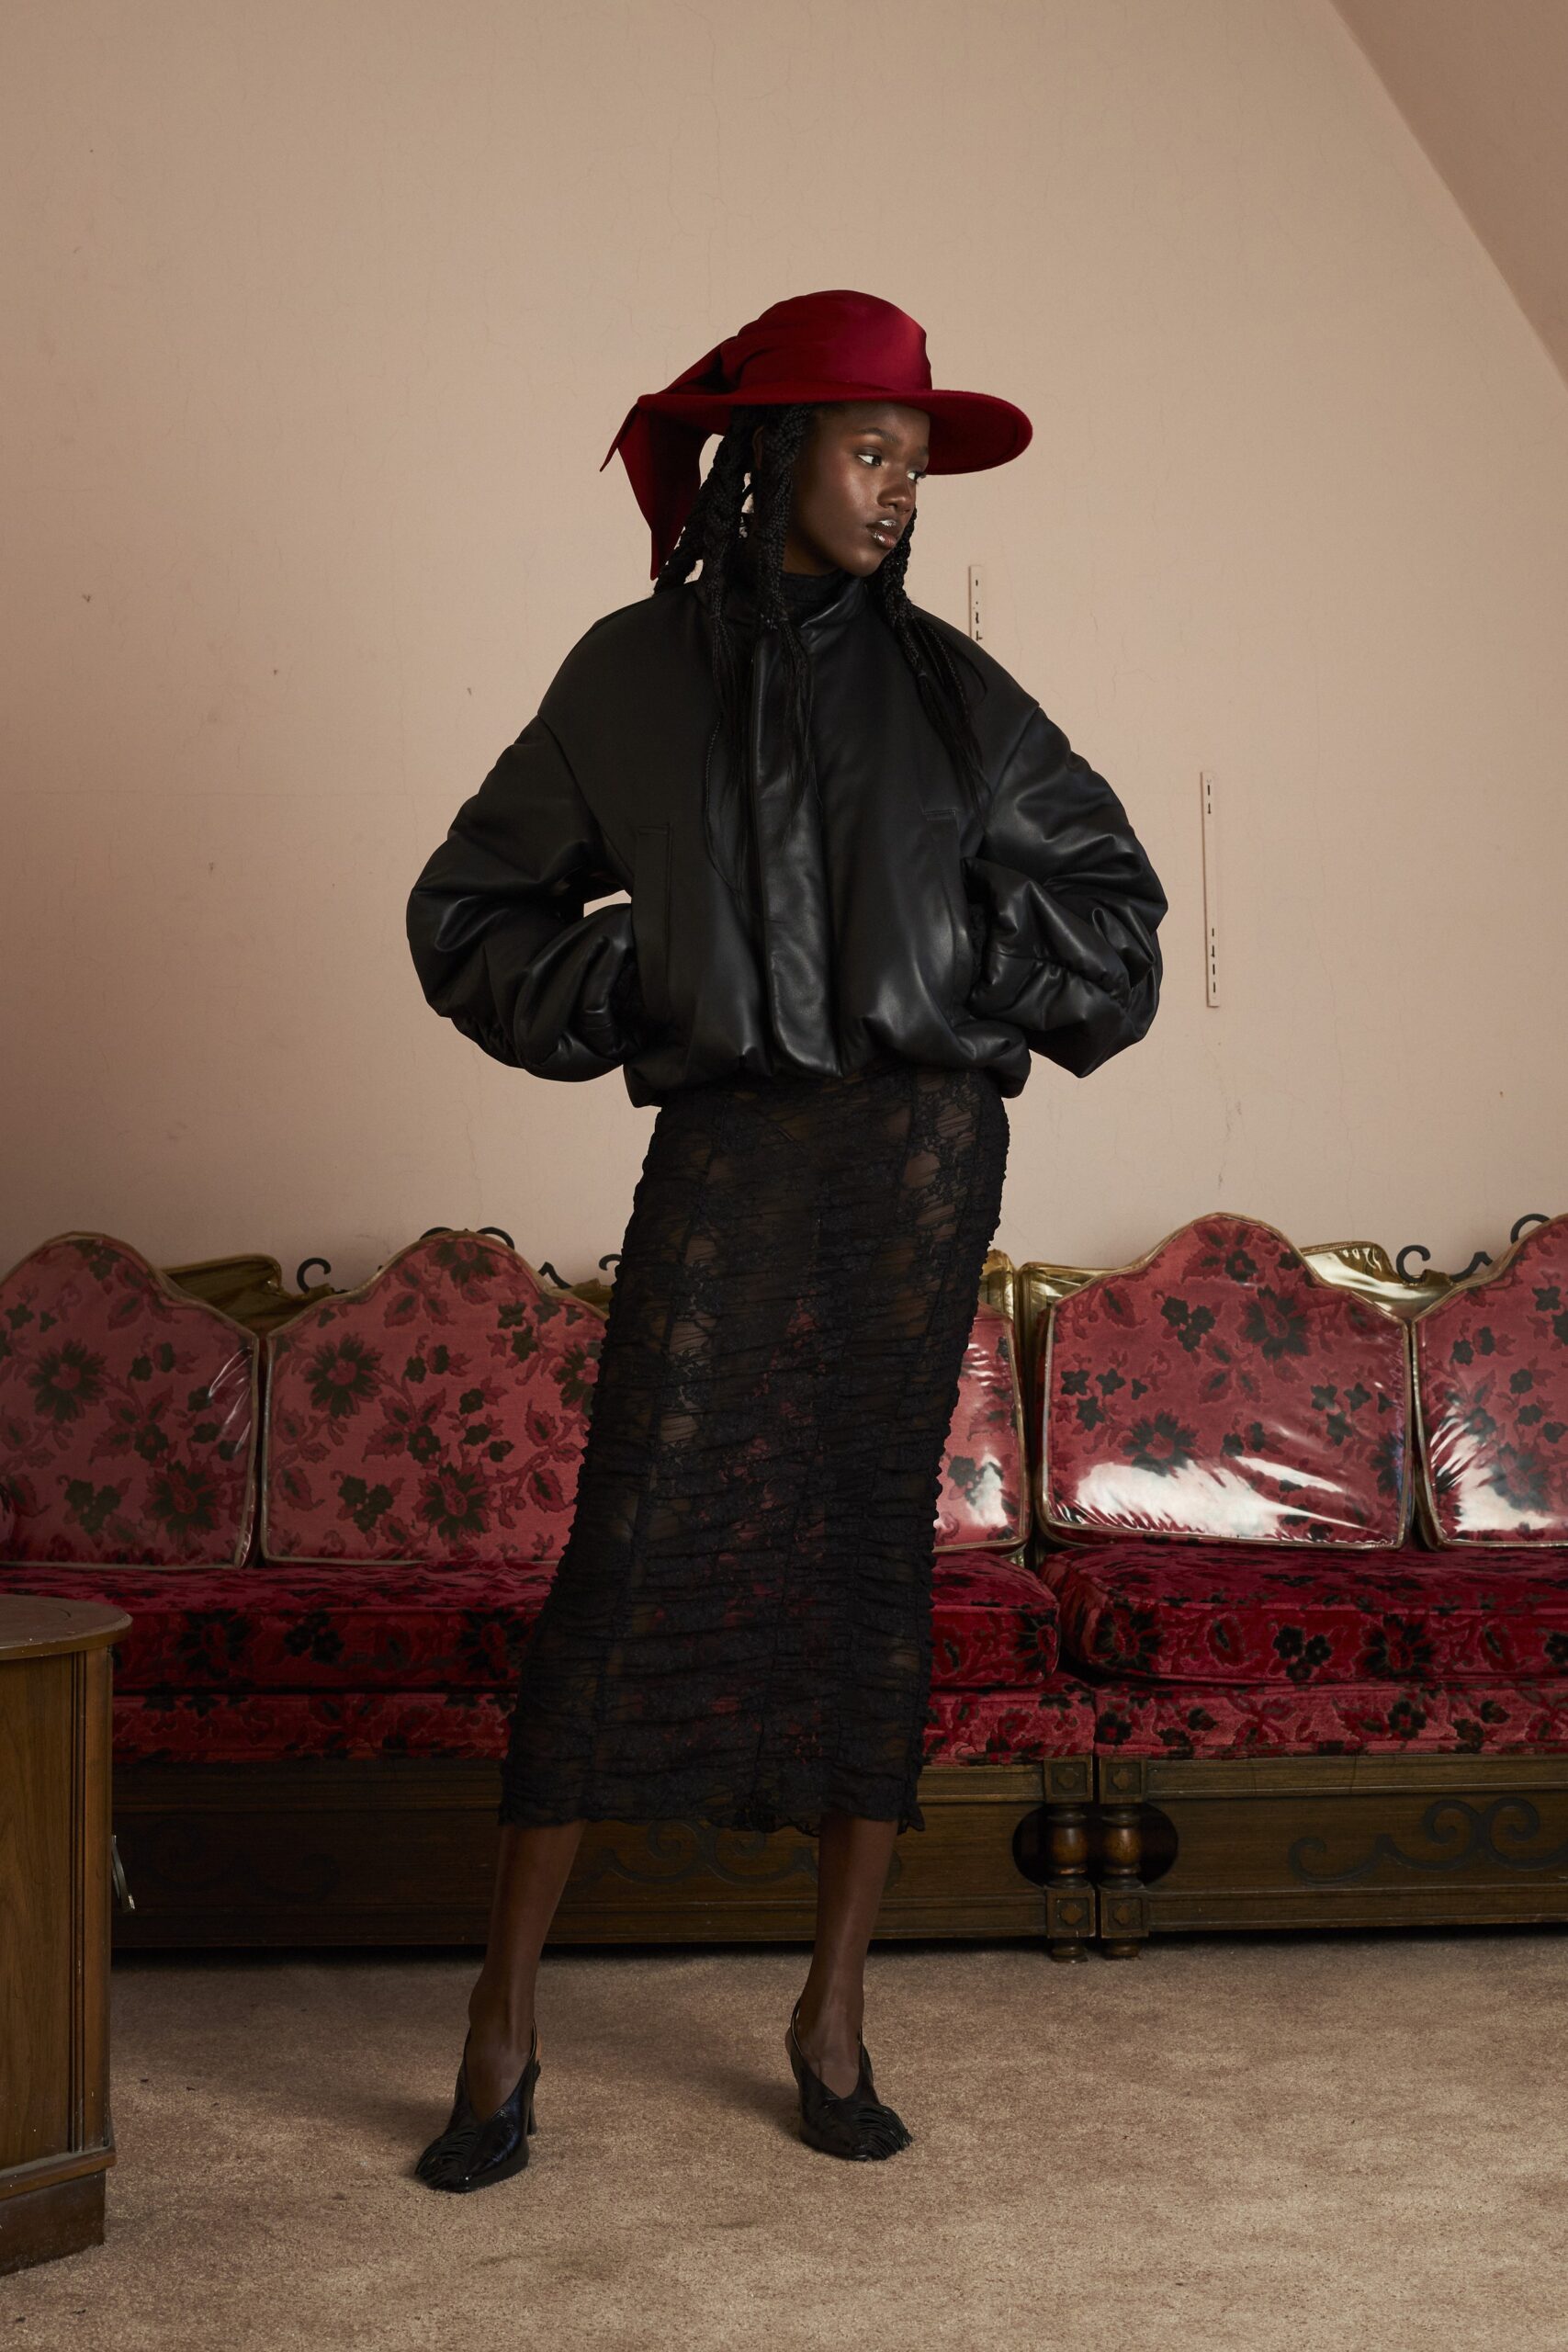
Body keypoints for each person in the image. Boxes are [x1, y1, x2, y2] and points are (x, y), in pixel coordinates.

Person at [403, 288, 1168, 2185]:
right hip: (735, 1158)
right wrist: (643, 970)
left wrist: (945, 957)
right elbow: (470, 910)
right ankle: (500, 2017)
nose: (900, 488)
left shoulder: (950, 697)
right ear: (771, 455)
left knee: (858, 1565)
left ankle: (831, 2003)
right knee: (630, 1552)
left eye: (916, 459)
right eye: (870, 448)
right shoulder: (629, 678)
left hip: (918, 1162)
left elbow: (1114, 927)